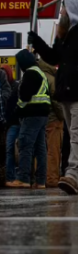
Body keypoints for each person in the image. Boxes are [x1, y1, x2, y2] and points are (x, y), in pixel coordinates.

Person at [29, 0, 78, 195]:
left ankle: (72, 174)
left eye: (63, 8)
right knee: (76, 136)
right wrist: (37, 42)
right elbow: (54, 57)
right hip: (65, 93)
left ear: (72, 9)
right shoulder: (63, 34)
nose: (61, 12)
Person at [6, 50, 50, 188]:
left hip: (31, 114)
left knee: (25, 144)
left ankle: (23, 178)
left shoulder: (30, 73)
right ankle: (41, 181)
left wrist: (17, 110)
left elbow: (25, 96)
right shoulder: (41, 73)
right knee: (40, 148)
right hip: (42, 114)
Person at [37, 60, 65, 188]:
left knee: (40, 150)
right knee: (53, 151)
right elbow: (56, 101)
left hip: (39, 119)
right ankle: (52, 178)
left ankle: (39, 178)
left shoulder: (36, 75)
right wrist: (63, 117)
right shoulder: (51, 79)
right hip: (53, 120)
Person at [3, 65, 19, 186]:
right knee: (9, 150)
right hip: (8, 123)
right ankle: (9, 176)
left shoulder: (15, 87)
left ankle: (13, 176)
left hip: (14, 122)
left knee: (12, 150)